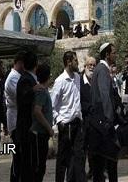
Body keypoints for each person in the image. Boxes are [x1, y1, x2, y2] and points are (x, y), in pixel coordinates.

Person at [87, 42, 120, 182]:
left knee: (101, 162)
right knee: (109, 160)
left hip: (100, 122)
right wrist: (109, 120)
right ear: (107, 54)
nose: (115, 55)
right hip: (103, 123)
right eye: (113, 52)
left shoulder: (101, 69)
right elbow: (105, 95)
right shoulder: (102, 70)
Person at [51, 51, 85, 182]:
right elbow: (52, 105)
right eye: (75, 60)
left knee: (78, 157)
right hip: (66, 125)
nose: (77, 63)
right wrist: (60, 122)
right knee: (63, 159)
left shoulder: (77, 77)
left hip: (77, 122)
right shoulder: (60, 81)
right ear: (69, 62)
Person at [16, 51, 39, 182]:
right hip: (26, 128)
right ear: (35, 64)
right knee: (28, 162)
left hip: (27, 128)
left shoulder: (28, 78)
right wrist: (33, 90)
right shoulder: (26, 79)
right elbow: (24, 99)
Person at [4, 50, 26, 182]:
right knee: (17, 155)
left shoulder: (18, 76)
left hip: (19, 119)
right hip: (15, 119)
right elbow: (20, 98)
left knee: (21, 155)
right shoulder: (12, 78)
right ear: (19, 63)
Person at [30, 63, 54, 182]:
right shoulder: (41, 91)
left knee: (41, 166)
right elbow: (37, 112)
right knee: (39, 167)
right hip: (39, 133)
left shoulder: (43, 90)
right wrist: (49, 128)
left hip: (42, 134)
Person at [81, 56, 96, 180]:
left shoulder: (96, 81)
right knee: (83, 148)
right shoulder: (80, 82)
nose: (91, 67)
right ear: (85, 67)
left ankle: (93, 170)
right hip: (84, 120)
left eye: (93, 65)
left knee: (94, 148)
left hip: (96, 121)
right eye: (89, 65)